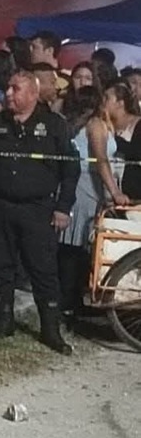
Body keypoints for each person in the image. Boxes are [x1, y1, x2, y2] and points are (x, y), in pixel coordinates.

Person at [0, 71, 79, 355]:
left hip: (37, 209)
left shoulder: (54, 125)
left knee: (43, 271)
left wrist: (63, 207)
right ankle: (4, 322)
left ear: (33, 94)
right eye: (8, 87)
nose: (8, 93)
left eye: (16, 89)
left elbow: (70, 169)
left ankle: (50, 330)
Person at [58, 87, 126, 323]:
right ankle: (68, 303)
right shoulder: (95, 125)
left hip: (91, 185)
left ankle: (73, 300)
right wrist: (114, 192)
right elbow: (101, 159)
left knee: (79, 246)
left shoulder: (94, 124)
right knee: (74, 244)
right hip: (85, 184)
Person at [105, 81, 141, 201]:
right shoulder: (100, 125)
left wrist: (115, 139)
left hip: (134, 195)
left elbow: (137, 152)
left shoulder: (138, 125)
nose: (102, 102)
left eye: (107, 98)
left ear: (120, 103)